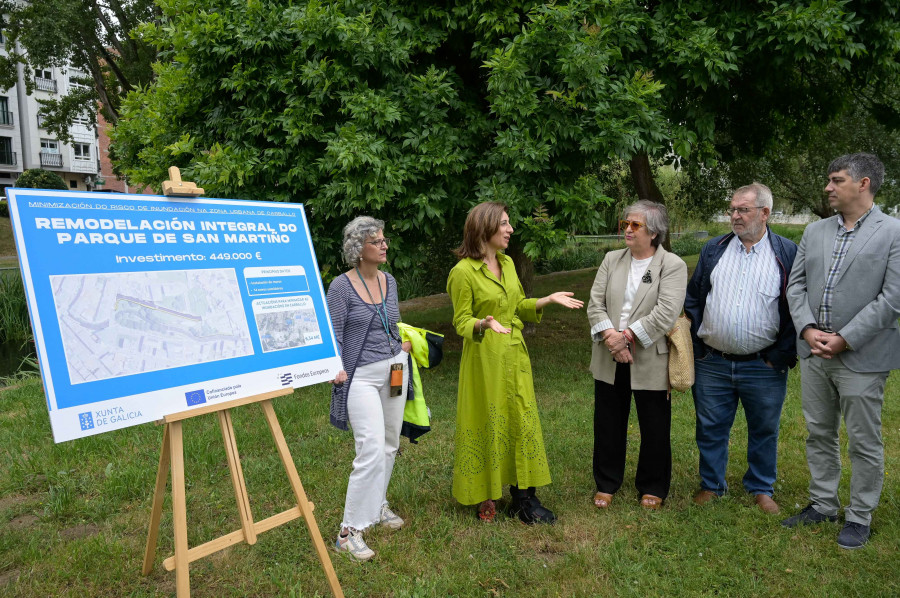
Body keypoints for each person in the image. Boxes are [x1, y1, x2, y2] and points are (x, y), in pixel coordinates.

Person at [784, 153, 900, 549]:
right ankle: (822, 504)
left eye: (836, 180)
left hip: (861, 357)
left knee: (863, 440)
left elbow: (892, 298)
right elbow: (795, 286)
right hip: (815, 352)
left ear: (863, 183)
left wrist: (845, 337)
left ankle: (860, 515)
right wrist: (807, 328)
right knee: (819, 431)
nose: (828, 188)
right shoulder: (815, 232)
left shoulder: (894, 232)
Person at [446, 201, 583, 524]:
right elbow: (461, 321)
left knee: (521, 421)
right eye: (504, 223)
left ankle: (525, 497)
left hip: (514, 356)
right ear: (485, 227)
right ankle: (486, 492)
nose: (510, 230)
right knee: (490, 422)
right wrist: (483, 324)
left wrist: (545, 300)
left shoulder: (507, 264)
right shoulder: (463, 272)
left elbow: (518, 305)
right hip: (485, 361)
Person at [684, 183, 798, 514]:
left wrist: (778, 357)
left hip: (762, 364)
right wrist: (698, 348)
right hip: (713, 361)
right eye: (732, 209)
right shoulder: (713, 250)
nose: (734, 215)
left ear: (765, 213)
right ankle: (711, 485)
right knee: (710, 426)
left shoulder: (787, 252)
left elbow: (796, 308)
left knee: (764, 428)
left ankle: (761, 487)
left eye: (742, 209)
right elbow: (694, 300)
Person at [587, 200, 687, 510]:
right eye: (625, 224)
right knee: (608, 423)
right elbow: (594, 304)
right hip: (609, 355)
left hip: (650, 356)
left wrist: (627, 338)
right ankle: (606, 483)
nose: (628, 230)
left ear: (654, 232)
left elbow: (667, 312)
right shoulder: (611, 259)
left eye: (636, 225)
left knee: (654, 425)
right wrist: (611, 339)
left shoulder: (672, 265)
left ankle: (653, 486)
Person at [326, 216, 412, 561]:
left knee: (390, 442)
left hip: (394, 368)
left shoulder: (389, 281)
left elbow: (393, 322)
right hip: (359, 376)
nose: (384, 245)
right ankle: (348, 532)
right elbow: (333, 334)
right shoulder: (341, 287)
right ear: (358, 249)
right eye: (377, 241)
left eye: (384, 239)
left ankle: (377, 506)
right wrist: (335, 368)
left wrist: (402, 346)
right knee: (371, 448)